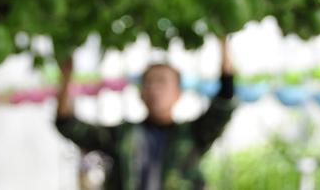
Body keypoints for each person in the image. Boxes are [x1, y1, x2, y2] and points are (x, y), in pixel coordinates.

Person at [55, 38, 237, 190]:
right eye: (148, 83)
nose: (154, 89)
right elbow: (68, 125)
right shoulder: (122, 135)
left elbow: (224, 104)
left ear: (178, 93)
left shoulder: (193, 134)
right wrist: (66, 78)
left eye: (162, 82)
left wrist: (223, 42)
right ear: (140, 93)